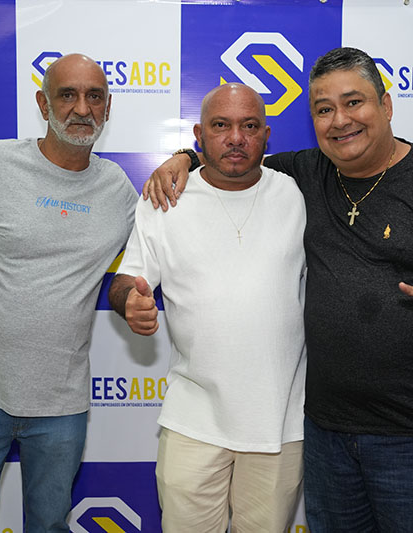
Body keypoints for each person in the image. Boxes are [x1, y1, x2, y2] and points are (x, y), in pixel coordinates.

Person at [144, 47, 413, 532]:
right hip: (327, 433)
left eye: (353, 102)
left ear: (386, 105)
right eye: (324, 109)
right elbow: (234, 155)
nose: (340, 120)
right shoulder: (305, 173)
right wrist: (183, 157)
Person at [0, 53, 137, 532]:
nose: (82, 108)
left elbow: (137, 268)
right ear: (43, 103)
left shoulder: (119, 190)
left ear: (108, 106)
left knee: (50, 525)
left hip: (61, 403)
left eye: (94, 96)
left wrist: (183, 158)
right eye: (67, 95)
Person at [108, 83, 306, 533]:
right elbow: (126, 279)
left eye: (249, 126)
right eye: (220, 126)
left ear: (266, 135)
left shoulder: (297, 195)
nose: (235, 138)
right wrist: (130, 301)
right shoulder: (164, 199)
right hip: (192, 421)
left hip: (280, 422)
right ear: (199, 135)